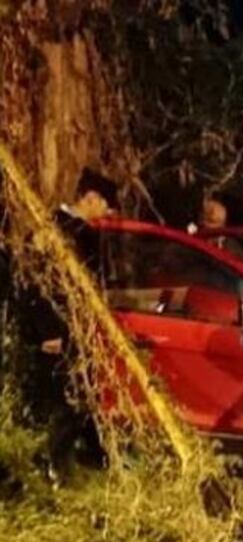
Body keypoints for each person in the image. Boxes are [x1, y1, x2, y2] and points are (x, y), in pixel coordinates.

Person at [27, 168, 118, 484]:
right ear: (91, 198)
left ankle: (94, 456)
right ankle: (52, 461)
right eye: (106, 205)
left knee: (86, 395)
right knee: (72, 399)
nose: (107, 213)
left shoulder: (86, 234)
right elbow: (36, 285)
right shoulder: (53, 230)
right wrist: (48, 331)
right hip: (58, 331)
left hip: (80, 331)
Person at [188, 191, 243, 262]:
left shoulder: (232, 253)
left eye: (211, 220)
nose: (204, 223)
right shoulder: (189, 231)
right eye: (203, 216)